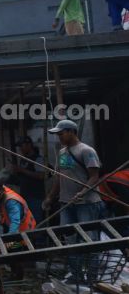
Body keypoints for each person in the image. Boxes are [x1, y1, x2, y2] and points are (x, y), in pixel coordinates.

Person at [44, 119, 105, 283]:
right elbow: (59, 177)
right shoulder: (62, 153)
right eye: (57, 134)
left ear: (71, 132)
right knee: (69, 241)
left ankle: (93, 278)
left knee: (90, 240)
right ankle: (77, 276)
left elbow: (94, 177)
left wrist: (83, 192)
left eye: (61, 133)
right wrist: (50, 197)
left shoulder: (86, 150)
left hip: (87, 203)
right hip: (66, 204)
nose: (59, 137)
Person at [0, 183, 36, 279]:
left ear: (2, 191)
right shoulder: (1, 191)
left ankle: (18, 275)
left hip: (23, 229)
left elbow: (15, 222)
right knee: (10, 249)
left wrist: (9, 239)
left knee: (14, 250)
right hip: (11, 224)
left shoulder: (11, 202)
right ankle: (15, 272)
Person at [9, 136, 46, 224]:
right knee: (26, 222)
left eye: (22, 146)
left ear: (29, 145)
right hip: (24, 196)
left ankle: (38, 238)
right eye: (20, 146)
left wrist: (22, 170)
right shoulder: (23, 159)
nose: (20, 149)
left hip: (36, 197)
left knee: (36, 222)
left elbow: (41, 176)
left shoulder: (38, 159)